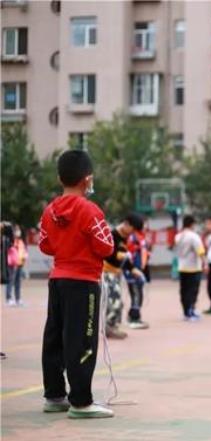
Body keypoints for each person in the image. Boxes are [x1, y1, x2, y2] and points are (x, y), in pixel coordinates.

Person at [39, 149, 115, 418]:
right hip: (83, 283)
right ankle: (81, 401)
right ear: (88, 180)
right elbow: (106, 247)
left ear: (60, 178)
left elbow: (45, 245)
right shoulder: (90, 210)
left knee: (55, 337)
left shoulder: (50, 210)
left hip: (57, 280)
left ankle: (54, 395)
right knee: (82, 340)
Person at [102, 213, 145, 340]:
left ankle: (113, 327)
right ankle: (109, 328)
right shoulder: (112, 235)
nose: (132, 234)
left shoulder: (125, 236)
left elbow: (124, 258)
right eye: (132, 230)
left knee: (118, 303)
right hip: (106, 272)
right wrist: (122, 256)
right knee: (114, 302)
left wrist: (133, 269)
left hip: (116, 273)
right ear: (126, 224)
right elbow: (109, 255)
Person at [174, 215, 205, 321]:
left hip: (182, 267)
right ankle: (191, 311)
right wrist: (205, 263)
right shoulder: (194, 236)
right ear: (192, 224)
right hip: (193, 267)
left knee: (184, 290)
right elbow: (200, 251)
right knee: (193, 290)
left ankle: (186, 311)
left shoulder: (178, 236)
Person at [125, 225, 150, 329]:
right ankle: (134, 318)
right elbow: (129, 253)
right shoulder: (133, 238)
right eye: (144, 224)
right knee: (136, 294)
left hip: (139, 270)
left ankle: (133, 315)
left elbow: (144, 253)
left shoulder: (141, 237)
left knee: (138, 294)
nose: (146, 227)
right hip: (133, 271)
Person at [5, 224, 27, 306]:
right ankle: (9, 298)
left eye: (19, 230)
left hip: (20, 263)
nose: (18, 232)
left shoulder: (21, 241)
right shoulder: (10, 241)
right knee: (10, 281)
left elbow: (24, 251)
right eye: (16, 230)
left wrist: (24, 257)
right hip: (12, 264)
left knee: (18, 282)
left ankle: (18, 299)